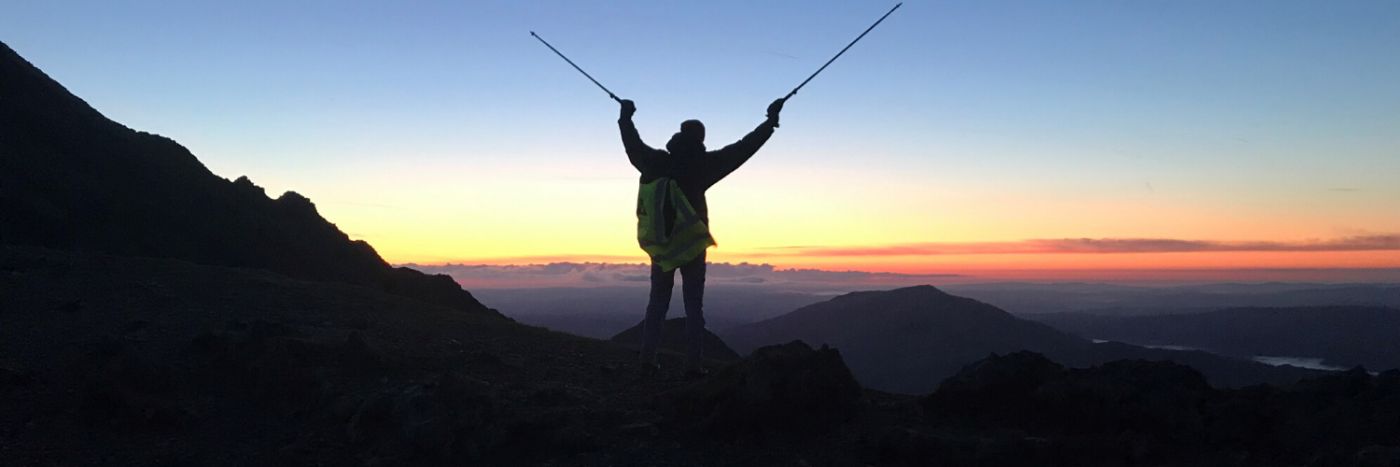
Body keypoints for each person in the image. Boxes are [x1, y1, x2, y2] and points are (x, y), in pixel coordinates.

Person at [618, 97, 785, 375]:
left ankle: (647, 360)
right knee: (694, 306)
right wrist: (769, 123)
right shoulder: (705, 165)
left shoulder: (656, 162)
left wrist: (626, 116)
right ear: (701, 138)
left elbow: (632, 145)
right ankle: (693, 366)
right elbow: (743, 149)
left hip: (663, 246)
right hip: (693, 244)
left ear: (679, 135)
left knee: (657, 302)